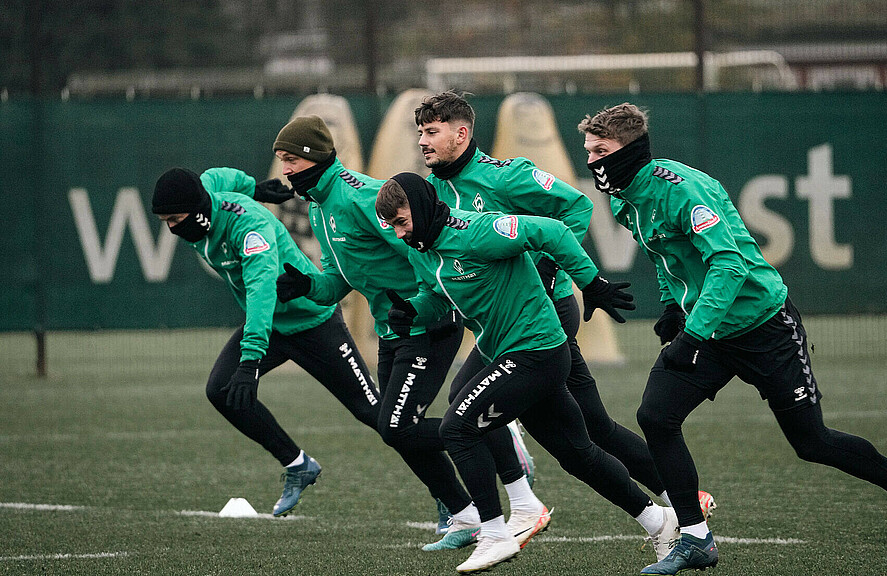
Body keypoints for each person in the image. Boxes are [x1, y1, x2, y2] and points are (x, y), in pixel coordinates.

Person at [577, 103, 887, 575]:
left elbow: (730, 265)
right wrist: (672, 304)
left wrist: (694, 331)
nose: (592, 162)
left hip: (763, 326)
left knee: (812, 442)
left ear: (631, 150)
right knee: (656, 415)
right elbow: (666, 256)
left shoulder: (682, 190)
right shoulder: (627, 198)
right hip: (708, 330)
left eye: (601, 151)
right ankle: (695, 537)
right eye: (587, 151)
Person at [414, 91, 716, 525]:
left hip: (543, 315)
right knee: (592, 428)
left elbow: (575, 206)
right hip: (507, 324)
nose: (423, 141)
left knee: (466, 406)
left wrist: (551, 269)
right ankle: (681, 496)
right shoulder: (436, 191)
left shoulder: (504, 176)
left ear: (461, 134)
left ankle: (518, 506)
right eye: (420, 132)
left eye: (432, 131)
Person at [375, 172, 680, 573]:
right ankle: (660, 522)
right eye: (393, 226)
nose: (399, 234)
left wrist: (592, 283)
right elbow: (436, 297)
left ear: (422, 206)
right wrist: (415, 310)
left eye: (402, 222)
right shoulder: (423, 249)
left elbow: (553, 231)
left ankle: (495, 534)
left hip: (538, 350)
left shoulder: (477, 231)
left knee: (458, 428)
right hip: (506, 352)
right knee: (579, 455)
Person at [263, 115, 544, 551]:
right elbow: (339, 279)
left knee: (397, 426)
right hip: (393, 330)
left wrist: (419, 304)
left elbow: (418, 245)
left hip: (426, 325)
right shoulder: (319, 206)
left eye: (290, 160)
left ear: (313, 157)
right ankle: (465, 514)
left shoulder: (360, 196)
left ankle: (495, 432)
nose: (285, 170)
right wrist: (309, 287)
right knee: (392, 424)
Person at [150, 166, 377, 517]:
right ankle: (298, 464)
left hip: (312, 321)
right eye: (165, 220)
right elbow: (221, 176)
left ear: (198, 210)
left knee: (377, 415)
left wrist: (250, 360)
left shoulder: (249, 229)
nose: (172, 227)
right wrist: (255, 187)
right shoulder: (206, 190)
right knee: (220, 390)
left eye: (175, 219)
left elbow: (261, 294)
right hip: (272, 325)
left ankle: (450, 498)